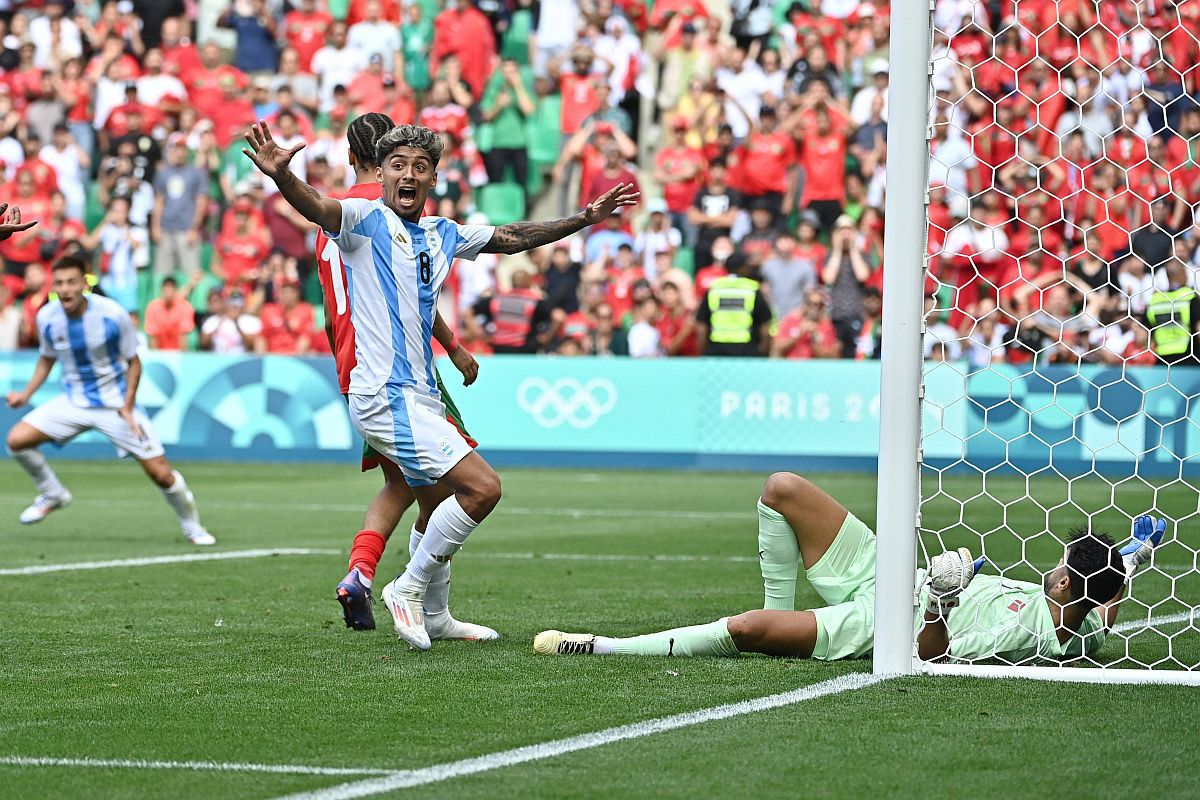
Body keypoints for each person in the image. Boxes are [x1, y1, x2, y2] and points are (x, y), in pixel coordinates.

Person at [244, 119, 638, 649]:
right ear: (380, 173)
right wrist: (283, 179)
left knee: (431, 499)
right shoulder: (362, 220)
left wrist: (585, 218)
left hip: (422, 394)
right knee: (482, 488)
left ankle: (435, 614)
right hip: (384, 396)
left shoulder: (441, 233)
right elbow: (319, 206)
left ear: (433, 178)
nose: (408, 175)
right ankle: (406, 589)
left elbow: (512, 237)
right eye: (398, 165)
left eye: (420, 167)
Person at [535, 473, 1163, 664]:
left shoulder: (1028, 632)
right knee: (781, 489)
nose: (1049, 571)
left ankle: (603, 647)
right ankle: (782, 604)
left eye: (1057, 569)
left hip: (883, 618)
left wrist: (944, 600)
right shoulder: (1078, 608)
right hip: (891, 571)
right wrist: (1136, 551)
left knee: (749, 632)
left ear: (1064, 585)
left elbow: (930, 658)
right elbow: (1101, 606)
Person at [314, 113, 487, 636]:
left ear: (348, 157)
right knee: (449, 485)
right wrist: (453, 347)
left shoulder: (338, 213)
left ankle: (366, 576)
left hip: (354, 359)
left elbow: (333, 307)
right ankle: (412, 594)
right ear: (387, 158)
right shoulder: (377, 208)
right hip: (397, 364)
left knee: (406, 481)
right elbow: (413, 285)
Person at [4, 256, 213, 544]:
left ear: (85, 284)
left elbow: (134, 363)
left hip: (115, 405)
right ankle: (53, 494)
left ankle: (193, 527)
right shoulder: (47, 316)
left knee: (162, 474)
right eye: (60, 283)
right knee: (17, 440)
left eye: (71, 282)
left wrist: (127, 406)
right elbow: (46, 358)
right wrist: (26, 395)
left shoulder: (112, 315)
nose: (65, 289)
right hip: (74, 402)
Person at [695, 254, 773, 356]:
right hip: (747, 351)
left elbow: (701, 326)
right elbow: (765, 325)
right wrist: (764, 352)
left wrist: (703, 352)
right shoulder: (752, 289)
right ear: (742, 267)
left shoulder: (714, 288)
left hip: (716, 351)